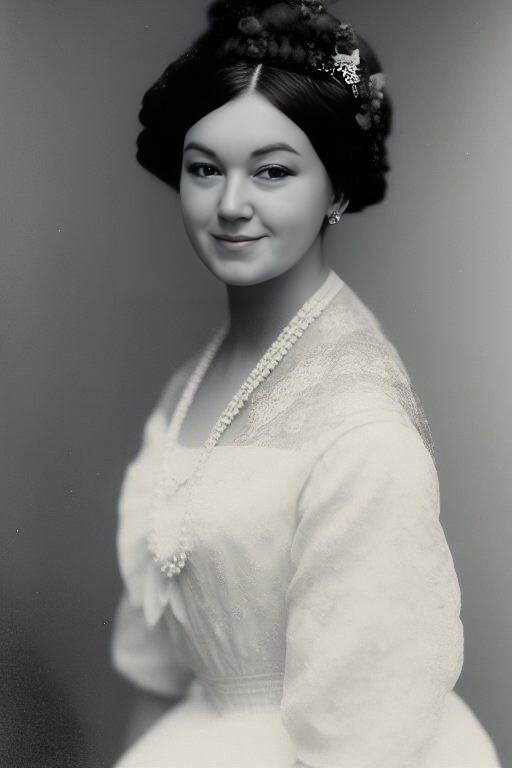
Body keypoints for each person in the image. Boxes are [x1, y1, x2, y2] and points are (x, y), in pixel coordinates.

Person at [110, 1, 502, 766]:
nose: (231, 205)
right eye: (205, 169)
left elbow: (363, 735)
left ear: (338, 191)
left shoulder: (361, 429)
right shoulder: (189, 387)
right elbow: (155, 661)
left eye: (273, 171)